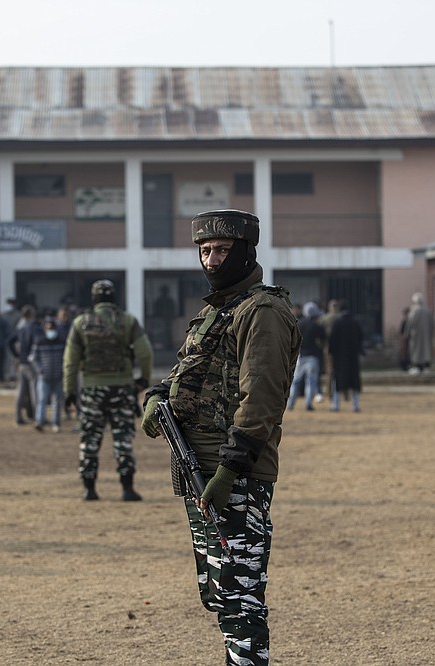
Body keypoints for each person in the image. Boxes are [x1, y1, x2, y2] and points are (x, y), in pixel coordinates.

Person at [141, 209, 300, 666]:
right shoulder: (217, 312)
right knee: (219, 591)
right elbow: (183, 375)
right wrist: (156, 397)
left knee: (240, 598)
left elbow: (261, 402)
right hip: (199, 469)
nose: (211, 259)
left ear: (246, 252)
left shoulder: (262, 311)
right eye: (205, 250)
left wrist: (230, 472)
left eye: (222, 250)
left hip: (234, 474)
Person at [63, 280, 153, 501]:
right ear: (114, 298)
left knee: (90, 439)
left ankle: (89, 488)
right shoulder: (128, 321)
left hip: (92, 389)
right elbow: (145, 353)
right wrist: (143, 379)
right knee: (123, 439)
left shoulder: (80, 323)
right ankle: (127, 488)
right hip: (122, 388)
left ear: (93, 299)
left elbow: (70, 361)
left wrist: (69, 392)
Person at [287, 301, 326, 411]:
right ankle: (308, 403)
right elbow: (323, 341)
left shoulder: (299, 324)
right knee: (311, 381)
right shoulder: (317, 326)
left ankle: (291, 403)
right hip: (313, 356)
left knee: (296, 381)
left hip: (300, 355)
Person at [30, 314, 65, 432]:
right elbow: (33, 358)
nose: (51, 331)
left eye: (52, 329)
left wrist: (62, 370)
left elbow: (66, 358)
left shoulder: (61, 341)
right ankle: (40, 421)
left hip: (58, 377)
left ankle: (56, 423)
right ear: (45, 329)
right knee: (42, 400)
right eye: (49, 328)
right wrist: (40, 371)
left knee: (57, 402)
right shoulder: (40, 342)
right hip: (44, 377)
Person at [328, 301, 364, 412]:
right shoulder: (355, 323)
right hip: (353, 357)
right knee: (354, 381)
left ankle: (336, 405)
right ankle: (355, 405)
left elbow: (332, 340)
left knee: (338, 380)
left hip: (339, 358)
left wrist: (331, 352)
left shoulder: (337, 323)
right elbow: (361, 338)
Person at [8, 305, 39, 426]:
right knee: (34, 390)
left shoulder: (20, 328)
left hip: (21, 362)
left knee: (21, 391)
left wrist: (16, 355)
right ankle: (38, 416)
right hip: (31, 363)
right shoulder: (33, 328)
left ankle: (18, 416)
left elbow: (9, 341)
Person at [405, 292, 434, 374]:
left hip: (416, 335)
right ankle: (426, 367)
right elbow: (432, 324)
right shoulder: (427, 311)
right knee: (426, 350)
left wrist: (407, 334)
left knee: (416, 351)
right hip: (426, 335)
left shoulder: (414, 311)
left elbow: (409, 323)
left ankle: (417, 366)